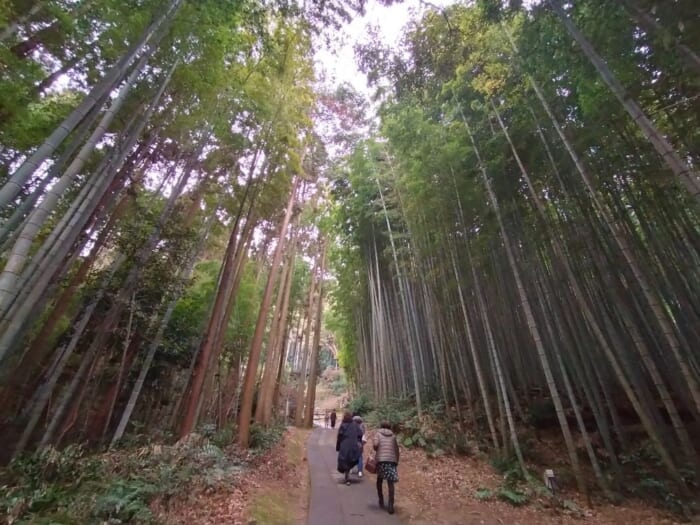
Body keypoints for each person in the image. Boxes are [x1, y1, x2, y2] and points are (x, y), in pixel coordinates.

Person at [373, 421, 399, 514]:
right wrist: (396, 461)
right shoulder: (393, 436)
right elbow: (396, 449)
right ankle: (391, 505)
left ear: (381, 426)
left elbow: (375, 446)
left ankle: (381, 499)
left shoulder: (378, 434)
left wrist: (376, 447)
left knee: (379, 479)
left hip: (381, 460)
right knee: (390, 482)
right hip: (391, 460)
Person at [336, 412, 361, 485]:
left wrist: (338, 446)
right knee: (351, 459)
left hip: (344, 445)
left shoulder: (343, 425)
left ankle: (347, 476)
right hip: (353, 445)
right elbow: (360, 433)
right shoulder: (355, 425)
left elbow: (339, 436)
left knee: (344, 459)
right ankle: (347, 474)